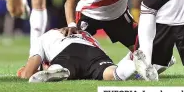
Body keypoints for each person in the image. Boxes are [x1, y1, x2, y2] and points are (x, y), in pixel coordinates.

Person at [16, 28, 157, 82]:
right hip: (94, 52)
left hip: (66, 52)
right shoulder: (82, 34)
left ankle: (56, 71)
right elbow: (100, 50)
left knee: (64, 67)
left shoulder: (43, 38)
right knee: (111, 73)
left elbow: (28, 73)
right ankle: (134, 64)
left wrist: (24, 71)